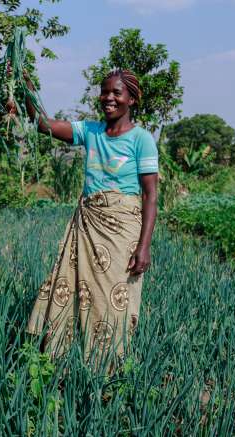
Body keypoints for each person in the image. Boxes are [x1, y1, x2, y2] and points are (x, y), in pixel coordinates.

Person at [24, 69, 158, 368]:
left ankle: (108, 366)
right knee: (74, 291)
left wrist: (144, 246)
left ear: (132, 99)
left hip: (121, 229)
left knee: (113, 297)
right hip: (88, 223)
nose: (109, 98)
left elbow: (150, 196)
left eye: (117, 93)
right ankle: (64, 360)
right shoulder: (91, 131)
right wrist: (26, 85)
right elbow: (43, 125)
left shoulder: (141, 140)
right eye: (105, 92)